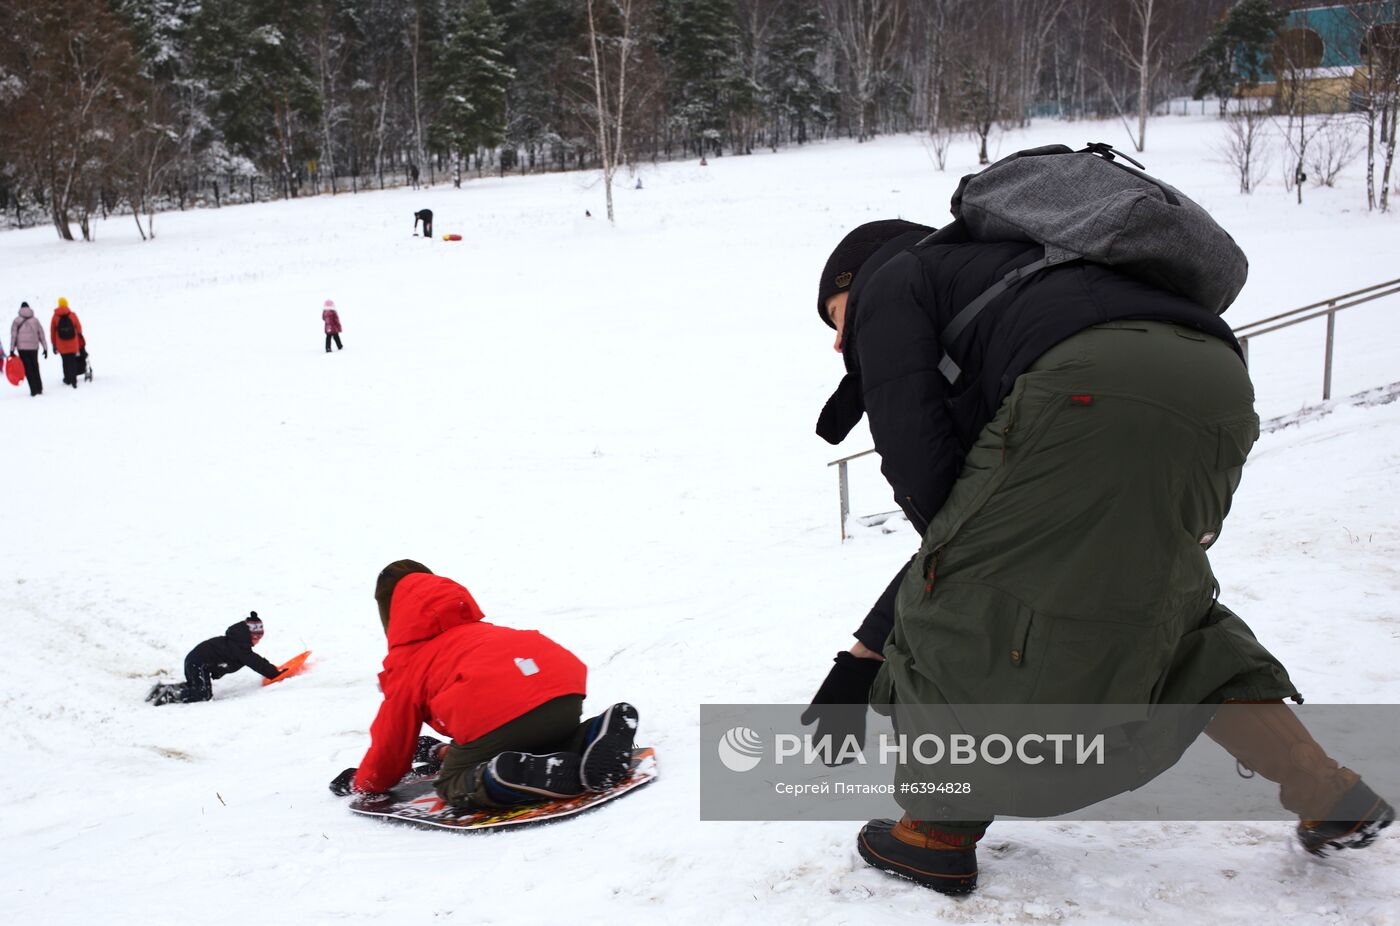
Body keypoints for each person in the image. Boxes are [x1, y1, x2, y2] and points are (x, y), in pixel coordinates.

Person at [804, 219, 1393, 894]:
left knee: (954, 611)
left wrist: (901, 628)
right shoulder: (1030, 278)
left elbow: (933, 496)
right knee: (1164, 607)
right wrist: (868, 649)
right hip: (1217, 386)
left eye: (836, 313)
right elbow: (979, 520)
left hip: (1084, 386)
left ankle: (934, 832)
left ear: (862, 276)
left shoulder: (896, 280)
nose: (838, 339)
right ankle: (1328, 791)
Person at [328, 560, 641, 811]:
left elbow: (392, 742)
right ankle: (592, 733)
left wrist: (366, 783)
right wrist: (444, 750)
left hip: (495, 708)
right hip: (560, 689)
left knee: (453, 783)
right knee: (533, 735)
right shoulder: (480, 632)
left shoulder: (408, 662)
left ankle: (506, 775)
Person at [147, 612, 288, 705]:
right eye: (257, 637)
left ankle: (161, 689)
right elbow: (256, 662)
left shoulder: (236, 641)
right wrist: (275, 673)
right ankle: (169, 695)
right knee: (203, 694)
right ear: (250, 635)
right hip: (198, 663)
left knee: (195, 687)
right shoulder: (239, 646)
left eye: (260, 637)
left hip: (195, 661)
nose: (258, 641)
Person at [9, 301, 47, 396]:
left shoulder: (16, 321)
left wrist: (12, 349)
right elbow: (41, 335)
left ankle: (33, 390)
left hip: (22, 349)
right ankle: (39, 388)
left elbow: (13, 336)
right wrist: (45, 348)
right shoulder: (35, 320)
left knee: (27, 368)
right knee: (35, 366)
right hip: (34, 347)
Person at [49, 297, 84, 389]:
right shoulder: (72, 315)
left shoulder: (55, 317)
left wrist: (53, 343)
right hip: (73, 343)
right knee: (72, 361)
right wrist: (79, 336)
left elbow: (52, 331)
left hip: (61, 344)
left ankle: (67, 379)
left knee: (65, 361)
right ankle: (74, 380)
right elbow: (79, 328)